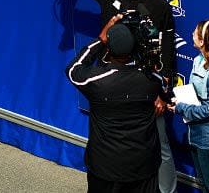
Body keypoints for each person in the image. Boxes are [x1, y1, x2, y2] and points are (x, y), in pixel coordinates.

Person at [45, 0, 178, 193]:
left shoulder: (159, 5)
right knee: (108, 140)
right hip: (110, 81)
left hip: (144, 85)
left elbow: (167, 50)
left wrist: (162, 93)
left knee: (159, 145)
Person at [66, 15, 162, 192]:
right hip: (143, 166)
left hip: (105, 169)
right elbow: (150, 69)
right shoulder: (153, 80)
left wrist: (99, 40)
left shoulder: (96, 81)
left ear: (108, 49)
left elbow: (73, 69)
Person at [168, 20, 209, 193]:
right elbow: (196, 95)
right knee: (204, 183)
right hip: (196, 133)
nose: (191, 33)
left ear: (203, 40)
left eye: (195, 32)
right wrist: (180, 101)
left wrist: (182, 108)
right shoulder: (199, 60)